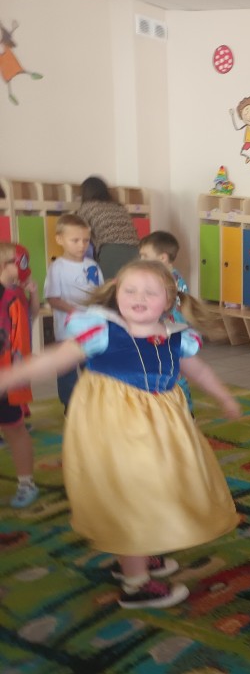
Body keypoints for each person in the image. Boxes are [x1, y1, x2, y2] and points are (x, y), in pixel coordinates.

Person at [0, 260, 241, 609]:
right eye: (130, 290)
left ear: (169, 299)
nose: (138, 298)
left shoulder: (176, 337)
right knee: (131, 495)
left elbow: (199, 372)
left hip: (161, 431)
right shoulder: (103, 330)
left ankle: (137, 551)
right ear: (116, 294)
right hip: (115, 430)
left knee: (155, 487)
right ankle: (136, 583)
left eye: (150, 292)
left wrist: (224, 397)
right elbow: (55, 360)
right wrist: (10, 376)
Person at [44, 213, 103, 412]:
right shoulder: (57, 267)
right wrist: (76, 312)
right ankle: (70, 407)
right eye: (75, 240)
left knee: (93, 370)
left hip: (91, 330)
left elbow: (100, 293)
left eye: (86, 240)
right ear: (60, 239)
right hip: (67, 332)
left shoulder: (93, 266)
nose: (81, 245)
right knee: (67, 372)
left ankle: (93, 405)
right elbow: (53, 299)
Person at [0, 243, 40, 507]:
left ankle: (27, 483)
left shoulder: (14, 294)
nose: (25, 268)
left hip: (7, 376)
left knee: (14, 429)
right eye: (21, 263)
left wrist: (33, 294)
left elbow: (29, 317)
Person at [139, 231, 193, 412]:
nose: (141, 260)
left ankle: (185, 412)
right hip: (165, 335)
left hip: (171, 336)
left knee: (175, 376)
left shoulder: (169, 280)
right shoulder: (167, 277)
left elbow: (171, 313)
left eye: (145, 256)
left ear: (162, 258)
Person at [77, 176, 140, 279]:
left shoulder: (86, 208)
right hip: (135, 250)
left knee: (109, 285)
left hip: (111, 250)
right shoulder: (118, 206)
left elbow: (79, 230)